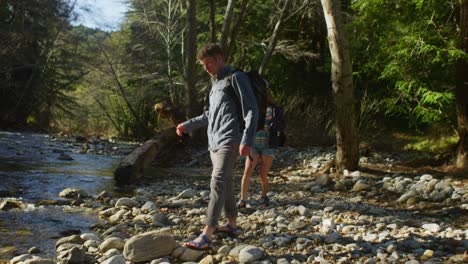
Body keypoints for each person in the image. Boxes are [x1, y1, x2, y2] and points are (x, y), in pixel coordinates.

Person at [175, 43, 258, 250]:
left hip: (231, 139)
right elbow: (209, 115)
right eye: (203, 65)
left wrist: (247, 140)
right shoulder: (215, 84)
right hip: (214, 141)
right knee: (226, 181)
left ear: (220, 58)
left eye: (208, 62)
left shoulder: (236, 78)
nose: (206, 68)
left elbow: (251, 110)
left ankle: (207, 234)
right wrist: (187, 125)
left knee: (218, 181)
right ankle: (231, 224)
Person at [237, 91, 279, 208]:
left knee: (263, 174)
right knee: (247, 172)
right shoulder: (251, 108)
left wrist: (271, 128)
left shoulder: (274, 109)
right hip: (253, 144)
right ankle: (242, 199)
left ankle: (264, 196)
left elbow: (281, 126)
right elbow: (243, 124)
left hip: (268, 145)